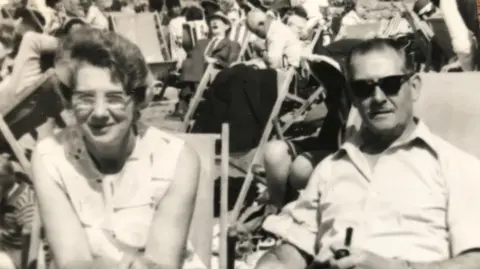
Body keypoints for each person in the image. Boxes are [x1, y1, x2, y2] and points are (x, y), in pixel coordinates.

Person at [256, 38, 480, 269]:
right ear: (353, 97)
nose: (378, 97)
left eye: (391, 84)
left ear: (413, 87)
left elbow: (475, 260)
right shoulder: (329, 169)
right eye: (364, 88)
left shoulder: (455, 166)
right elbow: (290, 251)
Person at [32, 27, 204, 269]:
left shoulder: (176, 159)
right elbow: (71, 261)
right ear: (69, 100)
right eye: (85, 98)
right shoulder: (51, 158)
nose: (100, 113)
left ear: (137, 100)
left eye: (114, 98)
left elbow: (163, 262)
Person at [0, 154, 35, 269]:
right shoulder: (6, 196)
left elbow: (29, 235)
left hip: (16, 256)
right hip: (6, 246)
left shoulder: (25, 200)